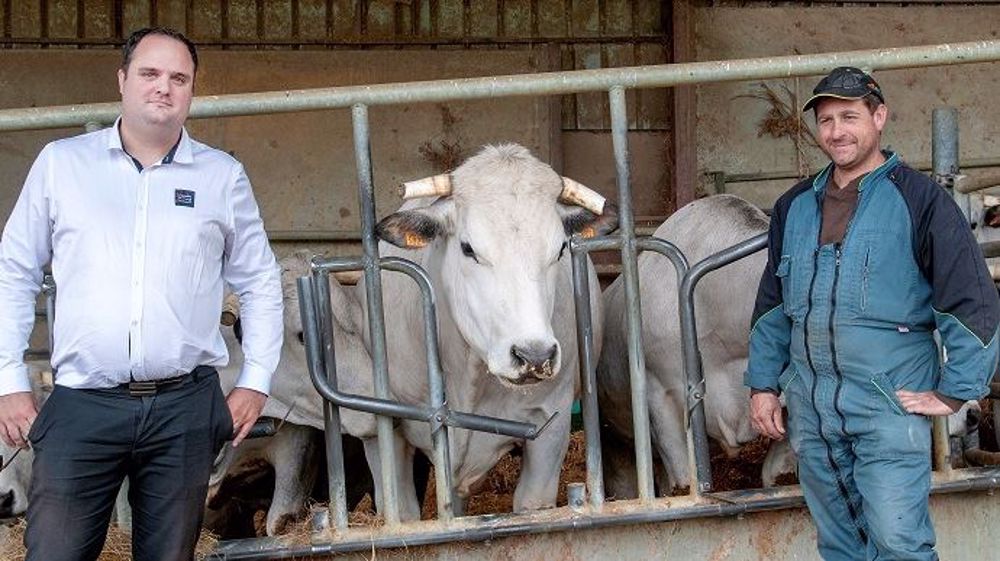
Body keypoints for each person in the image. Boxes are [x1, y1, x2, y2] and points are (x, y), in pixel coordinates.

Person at [0, 27, 283, 561]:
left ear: (192, 91)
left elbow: (261, 281)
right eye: (150, 74)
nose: (164, 88)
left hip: (183, 407)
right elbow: (12, 270)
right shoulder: (63, 164)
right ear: (123, 80)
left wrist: (257, 379)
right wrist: (9, 379)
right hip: (83, 403)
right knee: (54, 552)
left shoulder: (221, 177)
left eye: (179, 78)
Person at [745, 66, 999, 561]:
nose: (836, 131)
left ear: (878, 117)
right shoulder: (794, 206)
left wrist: (954, 390)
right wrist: (762, 385)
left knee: (897, 542)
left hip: (887, 405)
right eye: (825, 120)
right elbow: (772, 306)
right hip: (813, 412)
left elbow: (972, 299)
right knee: (839, 545)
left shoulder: (920, 200)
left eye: (849, 116)